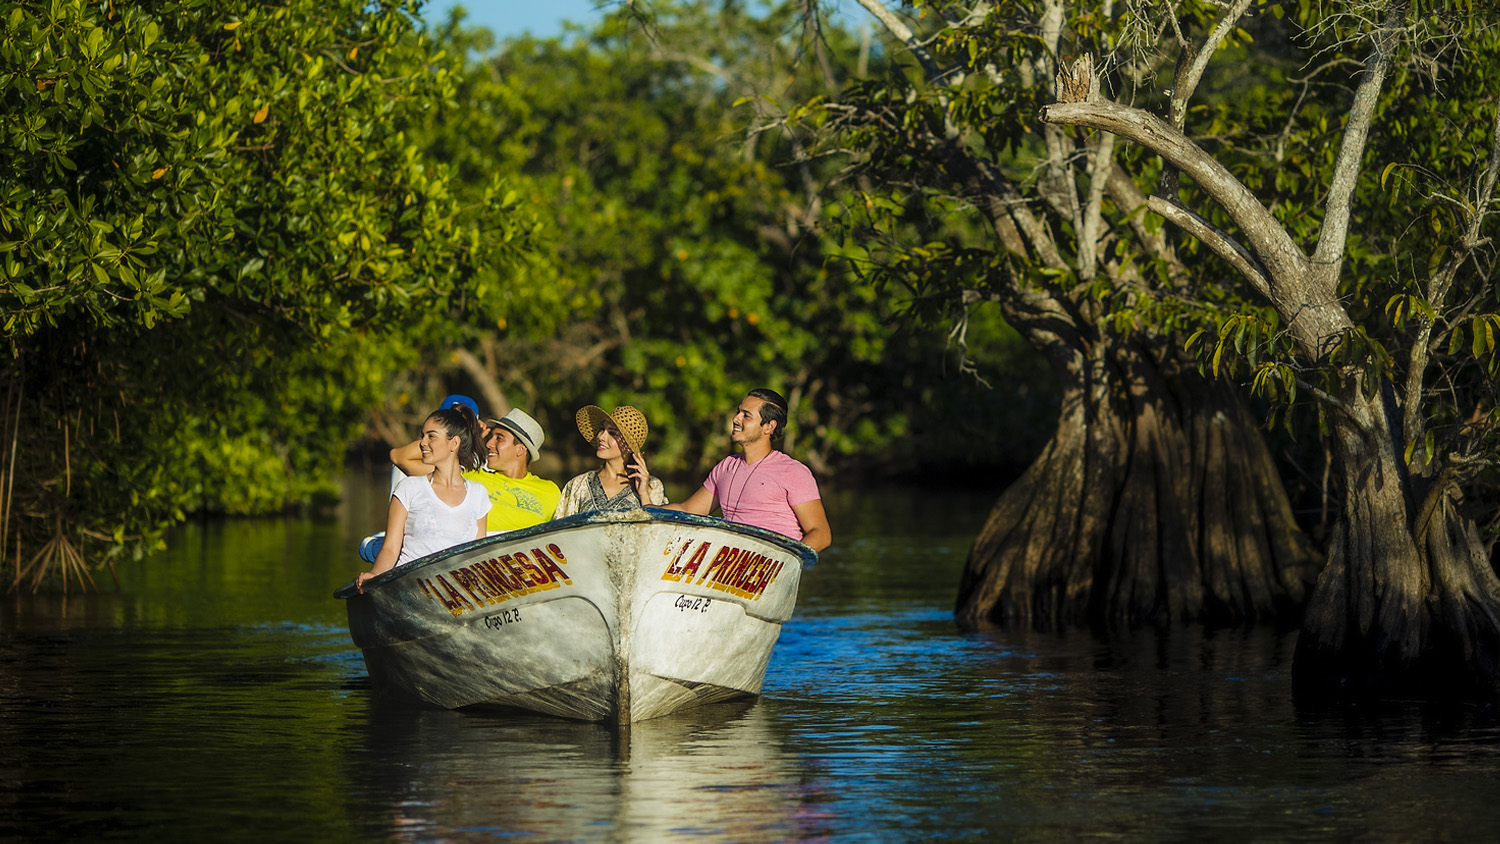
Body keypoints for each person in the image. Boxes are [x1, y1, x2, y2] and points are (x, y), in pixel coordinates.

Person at [653, 388, 831, 552]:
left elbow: (821, 534)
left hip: (770, 569)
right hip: (728, 567)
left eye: (746, 415)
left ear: (769, 426)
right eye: (739, 412)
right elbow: (687, 508)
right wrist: (646, 511)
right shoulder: (725, 466)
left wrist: (787, 560)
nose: (736, 418)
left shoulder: (793, 472)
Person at [356, 404, 491, 593]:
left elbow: (477, 555)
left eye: (431, 436)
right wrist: (374, 574)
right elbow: (390, 548)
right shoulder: (409, 488)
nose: (422, 443)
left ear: (454, 443)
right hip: (411, 588)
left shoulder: (479, 494)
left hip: (457, 592)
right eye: (422, 435)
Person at [392, 405, 560, 533]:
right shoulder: (468, 475)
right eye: (490, 436)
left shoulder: (551, 491)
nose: (488, 444)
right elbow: (400, 457)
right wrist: (467, 437)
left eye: (499, 438)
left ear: (521, 449)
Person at [553, 404, 668, 518]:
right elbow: (559, 530)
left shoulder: (652, 486)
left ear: (628, 445)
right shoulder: (578, 484)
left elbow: (659, 531)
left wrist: (644, 495)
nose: (601, 437)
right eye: (602, 429)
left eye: (612, 433)